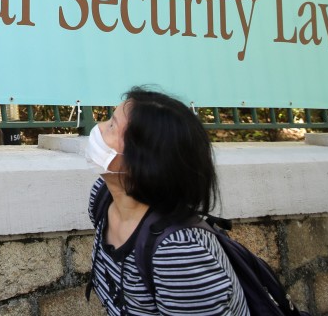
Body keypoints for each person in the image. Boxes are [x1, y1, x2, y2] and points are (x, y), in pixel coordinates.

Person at [86, 86, 249, 316]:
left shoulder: (179, 253)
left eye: (112, 125)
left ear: (142, 161)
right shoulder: (102, 197)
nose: (99, 128)